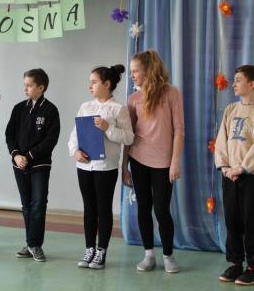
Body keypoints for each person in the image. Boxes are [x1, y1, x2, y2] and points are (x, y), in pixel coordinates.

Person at [121, 50, 185, 273]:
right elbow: (128, 136)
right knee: (143, 208)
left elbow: (179, 130)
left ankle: (168, 255)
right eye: (131, 71)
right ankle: (149, 254)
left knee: (161, 210)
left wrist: (175, 162)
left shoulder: (171, 93)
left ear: (149, 70)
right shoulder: (133, 99)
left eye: (136, 71)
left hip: (164, 163)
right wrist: (124, 167)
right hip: (138, 159)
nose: (132, 75)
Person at [67, 64, 134, 269]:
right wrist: (75, 151)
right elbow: (74, 135)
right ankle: (89, 249)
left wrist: (108, 128)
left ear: (107, 84)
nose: (90, 86)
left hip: (106, 167)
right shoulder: (85, 106)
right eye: (90, 82)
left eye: (94, 82)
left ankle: (101, 251)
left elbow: (129, 138)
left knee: (103, 209)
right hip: (84, 166)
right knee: (89, 208)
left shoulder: (118, 108)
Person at [215, 65, 254, 286]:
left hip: (252, 176)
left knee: (251, 221)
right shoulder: (230, 110)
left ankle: (253, 267)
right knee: (232, 220)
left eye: (239, 80)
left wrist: (241, 168)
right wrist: (224, 167)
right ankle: (235, 263)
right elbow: (221, 140)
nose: (234, 83)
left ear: (251, 84)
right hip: (229, 175)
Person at [5, 69, 60, 262]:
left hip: (40, 165)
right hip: (19, 165)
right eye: (25, 85)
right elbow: (9, 135)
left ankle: (35, 245)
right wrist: (16, 155)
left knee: (38, 203)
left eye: (29, 85)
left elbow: (50, 140)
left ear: (41, 87)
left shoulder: (50, 110)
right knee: (27, 205)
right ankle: (30, 244)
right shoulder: (19, 108)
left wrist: (28, 156)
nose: (25, 89)